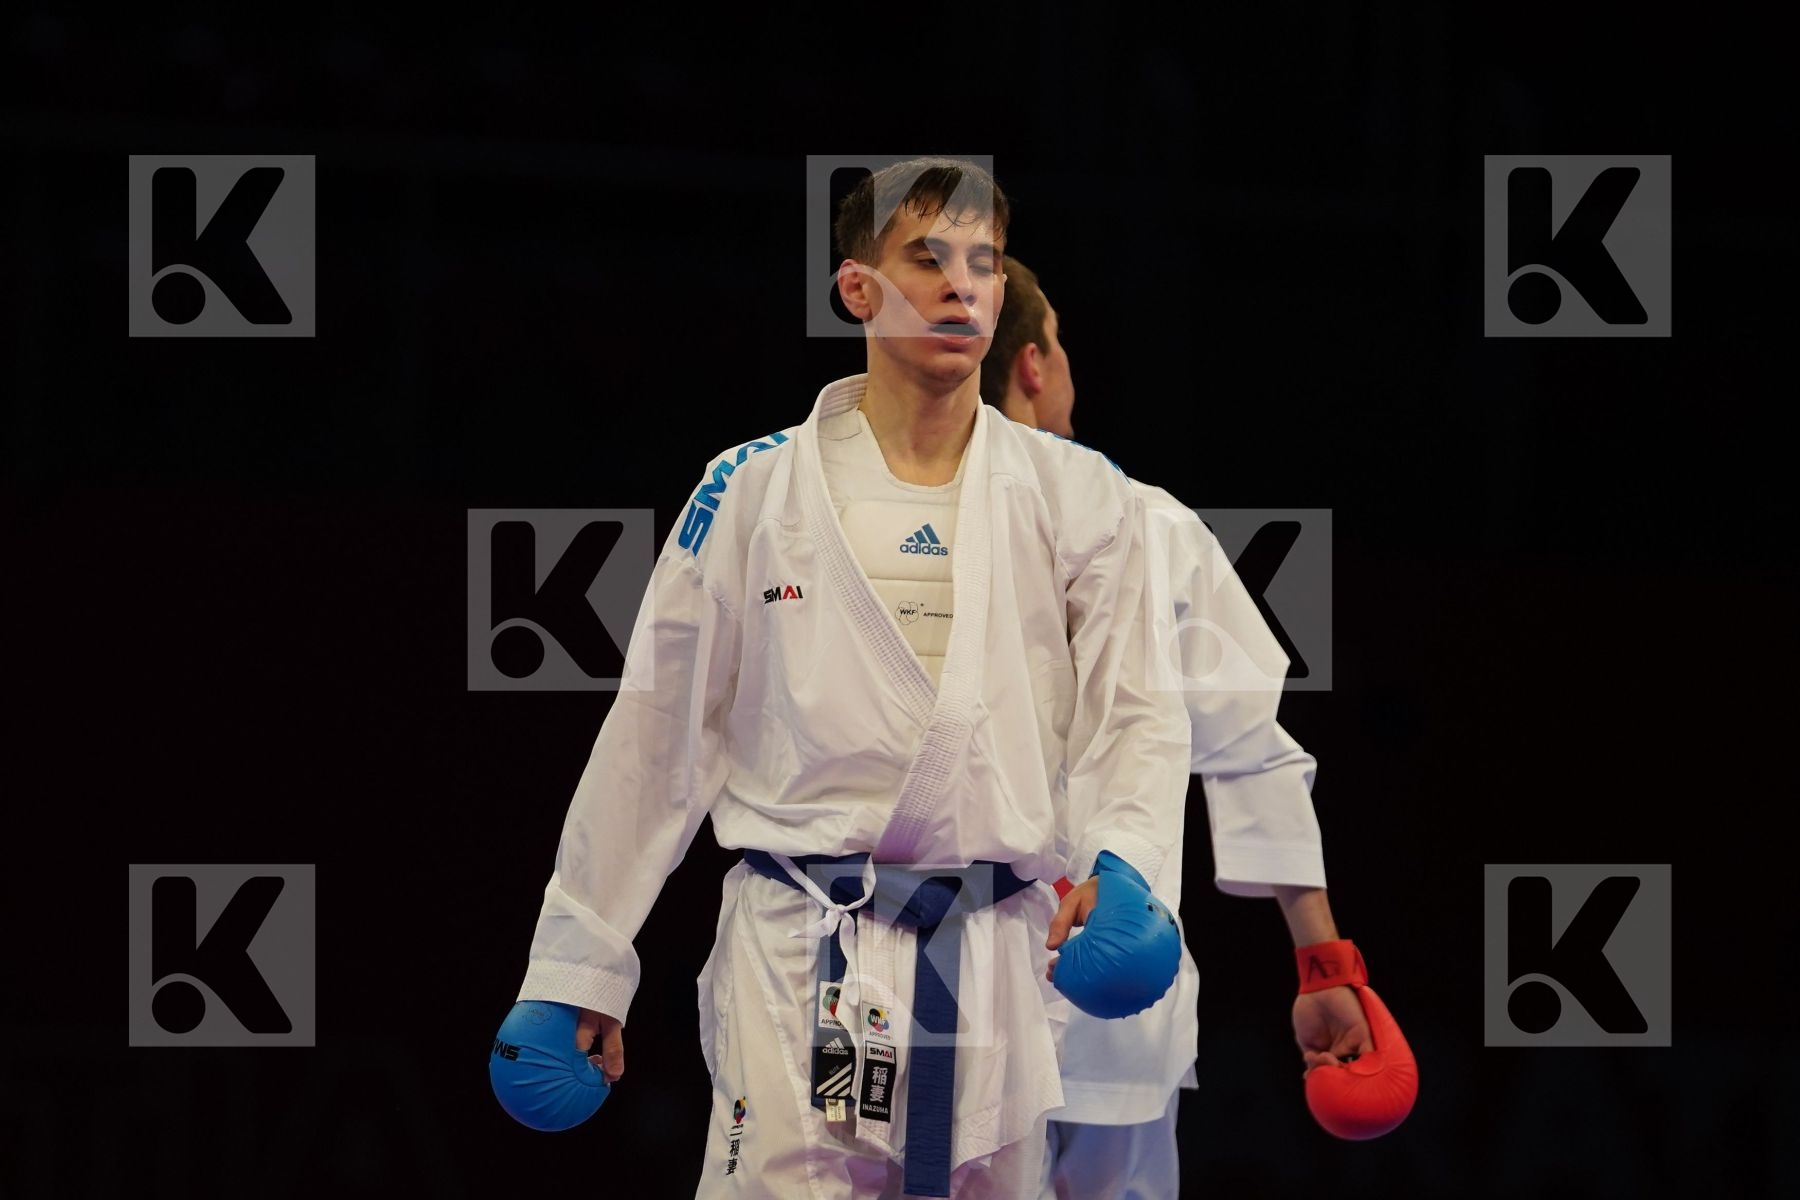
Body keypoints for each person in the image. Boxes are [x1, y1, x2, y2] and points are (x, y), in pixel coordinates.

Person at [491, 160, 1193, 1198]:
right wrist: (579, 961)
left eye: (984, 263)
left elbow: (1135, 705)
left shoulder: (1081, 494)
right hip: (799, 953)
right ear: (857, 288)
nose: (962, 284)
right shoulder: (752, 486)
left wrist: (1127, 859)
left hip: (992, 955)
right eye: (928, 257)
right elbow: (657, 731)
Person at [981, 256, 1375, 1200]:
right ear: (1034, 363)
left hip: (943, 1002)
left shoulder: (879, 529)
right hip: (1107, 1008)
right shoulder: (1153, 526)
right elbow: (1249, 748)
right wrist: (1322, 960)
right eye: (1063, 343)